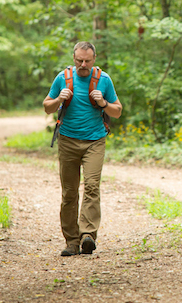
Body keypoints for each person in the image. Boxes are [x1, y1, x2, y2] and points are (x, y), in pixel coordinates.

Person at [43, 41, 123, 256]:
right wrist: (60, 98)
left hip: (95, 141)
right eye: (79, 60)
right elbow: (47, 106)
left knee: (91, 186)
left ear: (94, 59)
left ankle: (88, 234)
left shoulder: (103, 80)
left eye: (87, 60)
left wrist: (104, 103)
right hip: (68, 140)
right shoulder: (63, 78)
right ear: (74, 58)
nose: (83, 64)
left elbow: (117, 111)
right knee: (69, 193)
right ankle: (71, 241)